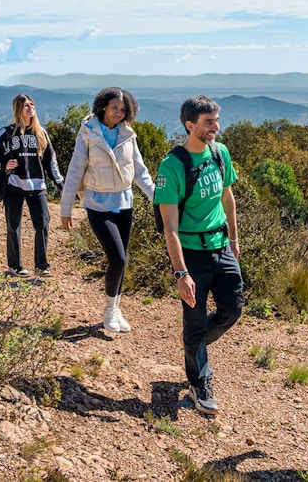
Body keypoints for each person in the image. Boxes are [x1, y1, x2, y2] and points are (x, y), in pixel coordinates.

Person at [154, 95, 244, 415]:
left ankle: (195, 345)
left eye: (217, 120)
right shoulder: (173, 165)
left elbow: (227, 196)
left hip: (221, 247)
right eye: (209, 122)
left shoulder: (220, 153)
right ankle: (199, 382)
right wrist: (181, 273)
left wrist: (233, 239)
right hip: (191, 254)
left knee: (232, 309)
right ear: (190, 125)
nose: (216, 127)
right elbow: (170, 227)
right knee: (193, 320)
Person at [60, 87, 155, 333]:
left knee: (121, 261)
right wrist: (65, 207)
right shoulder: (88, 133)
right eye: (114, 107)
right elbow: (74, 170)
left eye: (123, 110)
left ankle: (115, 308)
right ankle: (109, 311)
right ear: (103, 106)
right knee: (118, 258)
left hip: (124, 203)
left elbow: (140, 171)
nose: (118, 113)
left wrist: (157, 197)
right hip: (97, 204)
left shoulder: (128, 135)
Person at [0, 93, 64, 277]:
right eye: (26, 105)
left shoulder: (41, 133)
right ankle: (15, 265)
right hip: (14, 185)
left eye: (32, 104)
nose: (30, 107)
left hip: (38, 186)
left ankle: (41, 265)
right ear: (18, 110)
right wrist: (4, 164)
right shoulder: (7, 132)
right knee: (14, 226)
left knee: (43, 223)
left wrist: (60, 184)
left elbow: (51, 161)